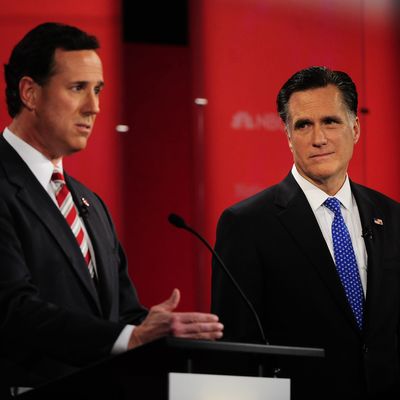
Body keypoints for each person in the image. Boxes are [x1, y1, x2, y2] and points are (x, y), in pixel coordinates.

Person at [0, 22, 223, 396]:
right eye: (77, 89)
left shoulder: (89, 203)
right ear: (30, 93)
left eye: (98, 90)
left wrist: (154, 330)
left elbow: (119, 316)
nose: (95, 107)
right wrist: (128, 336)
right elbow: (12, 309)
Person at [211, 66, 400, 399]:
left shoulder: (392, 216)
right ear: (287, 136)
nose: (319, 138)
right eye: (303, 125)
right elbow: (237, 352)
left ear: (355, 128)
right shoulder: (246, 225)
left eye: (330, 121)